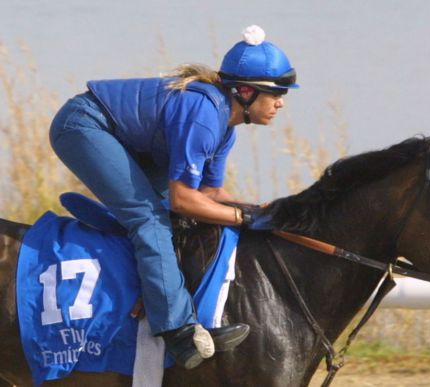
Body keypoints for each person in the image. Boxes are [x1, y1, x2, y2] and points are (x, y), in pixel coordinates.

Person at [48, 25, 299, 369]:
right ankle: (179, 332)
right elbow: (184, 198)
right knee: (150, 219)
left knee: (172, 218)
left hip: (126, 138)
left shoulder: (225, 130)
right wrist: (243, 219)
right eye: (276, 93)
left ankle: (154, 294)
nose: (281, 103)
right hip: (82, 126)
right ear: (244, 91)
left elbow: (210, 194)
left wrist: (256, 209)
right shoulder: (204, 117)